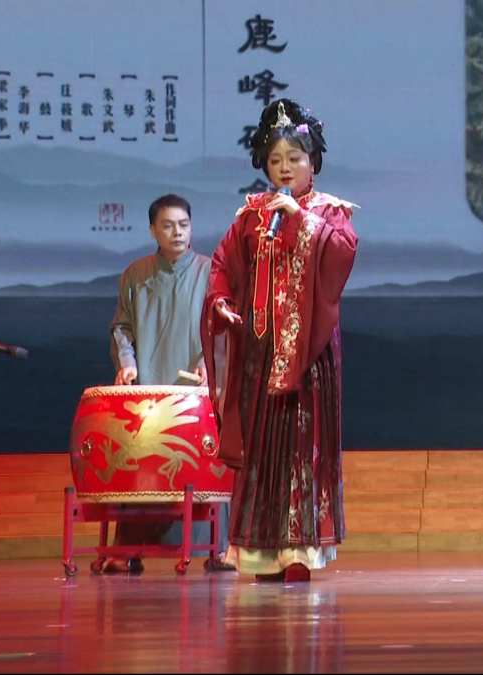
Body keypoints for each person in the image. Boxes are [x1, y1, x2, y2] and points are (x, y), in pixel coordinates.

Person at [202, 98, 358, 583]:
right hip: (260, 352)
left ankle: (299, 552)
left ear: (313, 162)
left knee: (301, 449)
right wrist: (220, 300)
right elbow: (224, 264)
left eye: (295, 158)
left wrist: (301, 220)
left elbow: (342, 255)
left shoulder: (329, 212)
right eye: (275, 160)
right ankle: (260, 553)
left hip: (309, 354)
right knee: (263, 450)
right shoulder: (251, 216)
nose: (285, 168)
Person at [107, 194, 235, 573]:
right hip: (149, 388)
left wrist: (209, 362)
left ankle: (217, 550)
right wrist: (127, 364)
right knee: (141, 466)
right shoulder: (136, 275)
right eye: (167, 225)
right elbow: (122, 327)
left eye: (183, 225)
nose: (177, 232)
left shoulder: (211, 272)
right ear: (152, 230)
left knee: (205, 466)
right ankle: (128, 550)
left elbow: (223, 326)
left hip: (197, 390)